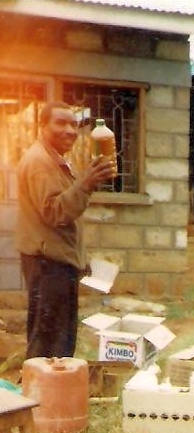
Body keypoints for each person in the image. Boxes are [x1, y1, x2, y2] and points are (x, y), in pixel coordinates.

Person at [16, 101, 115, 358]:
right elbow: (55, 212)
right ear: (42, 126)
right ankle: (41, 395)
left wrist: (81, 259)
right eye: (60, 123)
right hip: (48, 265)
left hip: (57, 263)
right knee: (49, 342)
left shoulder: (56, 160)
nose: (70, 130)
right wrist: (87, 183)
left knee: (57, 338)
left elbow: (63, 216)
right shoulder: (40, 162)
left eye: (74, 124)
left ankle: (50, 392)